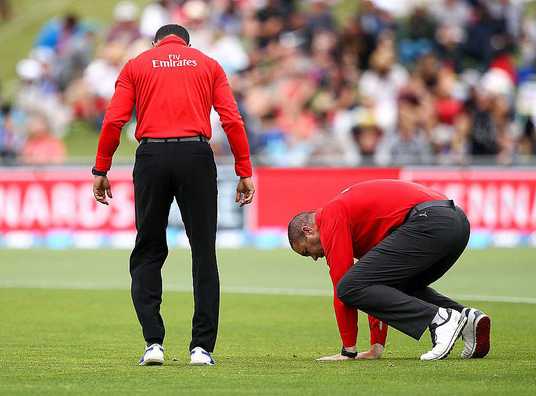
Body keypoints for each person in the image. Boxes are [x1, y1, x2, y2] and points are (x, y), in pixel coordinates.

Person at [92, 24, 255, 366]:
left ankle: (153, 343)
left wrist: (101, 168)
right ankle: (201, 349)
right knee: (203, 252)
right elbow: (232, 120)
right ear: (186, 43)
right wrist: (244, 171)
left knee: (148, 249)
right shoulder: (208, 64)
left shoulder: (137, 64)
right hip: (196, 156)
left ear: (156, 42)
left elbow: (113, 121)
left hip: (151, 157)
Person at [288, 179, 490, 361]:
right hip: (456, 223)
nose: (314, 257)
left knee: (348, 286)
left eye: (307, 251)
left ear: (308, 230)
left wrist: (348, 350)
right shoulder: (353, 221)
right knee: (389, 283)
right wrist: (376, 346)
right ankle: (465, 319)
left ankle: (440, 319)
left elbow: (343, 285)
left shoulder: (331, 214)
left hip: (429, 222)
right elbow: (377, 286)